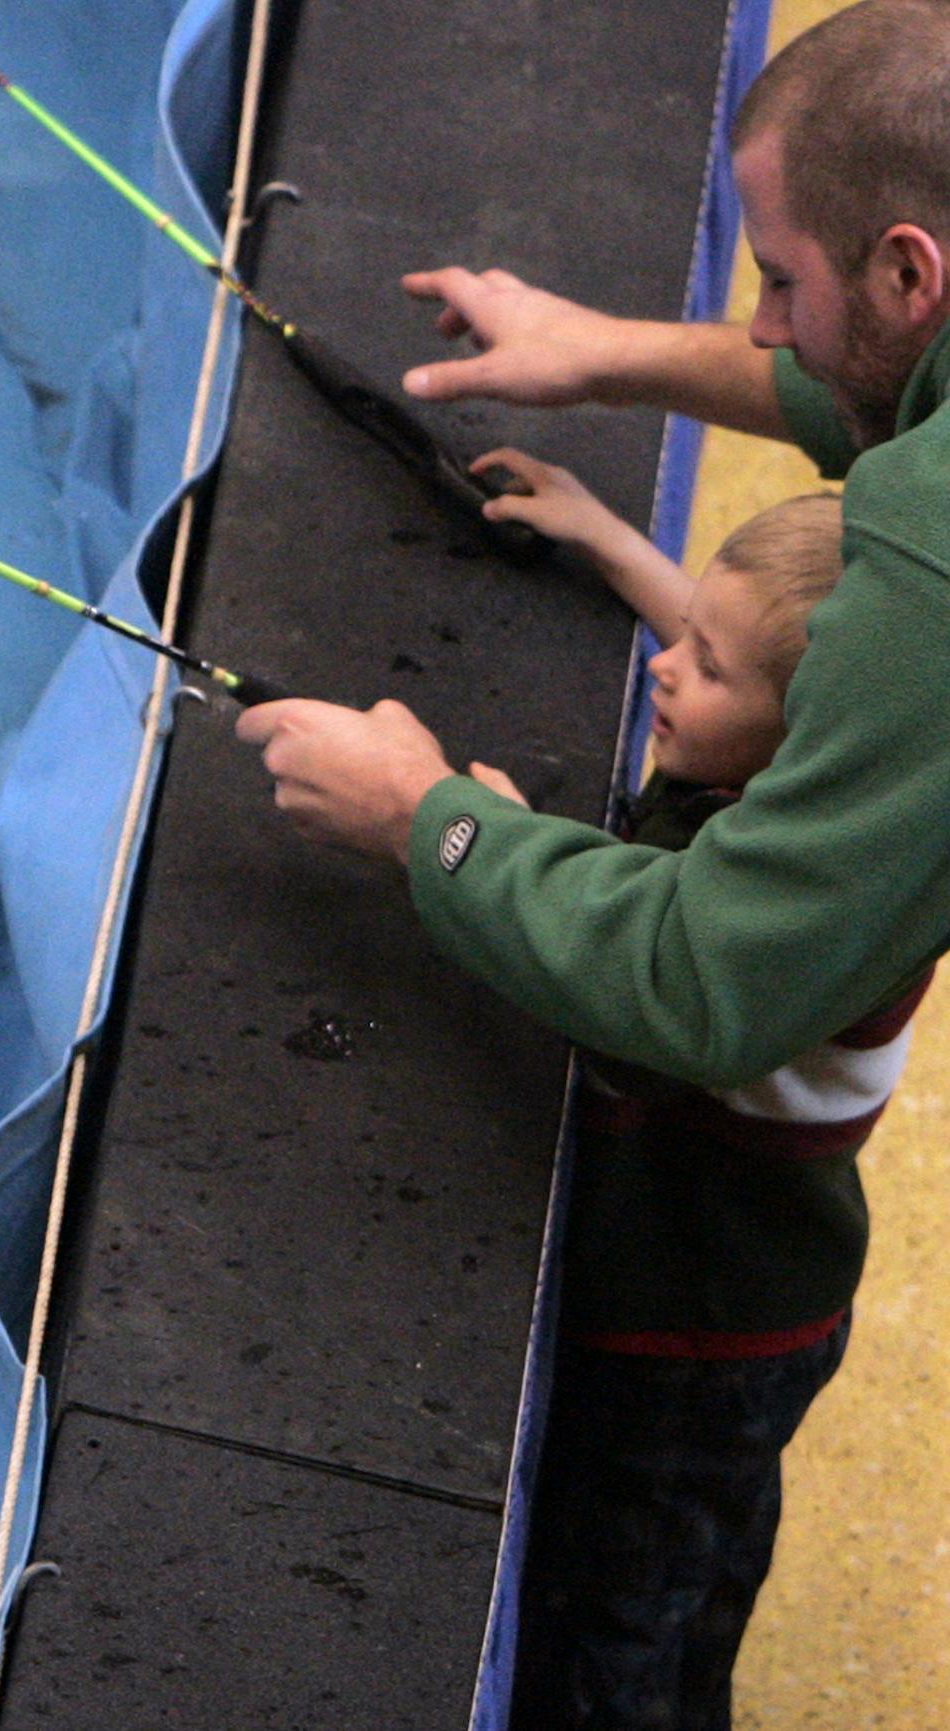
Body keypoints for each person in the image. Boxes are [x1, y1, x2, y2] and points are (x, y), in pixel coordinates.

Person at [229, 1, 950, 1723]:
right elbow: (842, 389)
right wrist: (592, 348)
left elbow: (705, 979)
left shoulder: (930, 584)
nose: (759, 323)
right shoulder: (914, 398)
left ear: (913, 268)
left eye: (777, 274)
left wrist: (431, 821)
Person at [462, 469, 925, 1725]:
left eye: (706, 668)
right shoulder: (843, 815)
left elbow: (622, 998)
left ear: (801, 744)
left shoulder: (749, 900)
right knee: (703, 1569)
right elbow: (763, 677)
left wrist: (478, 844)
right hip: (773, 1302)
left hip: (689, 1325)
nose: (670, 670)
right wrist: (611, 540)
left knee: (611, 1621)